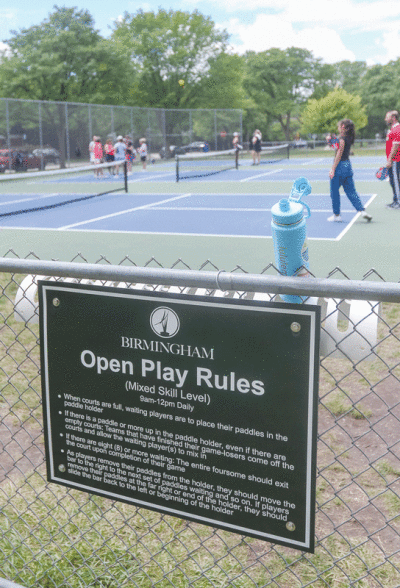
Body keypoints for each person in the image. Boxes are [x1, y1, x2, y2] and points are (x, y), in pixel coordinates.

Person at [328, 119, 372, 222]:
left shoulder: (342, 139)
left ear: (343, 126)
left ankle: (337, 215)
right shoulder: (349, 137)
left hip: (340, 166)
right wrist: (331, 140)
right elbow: (337, 147)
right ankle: (362, 211)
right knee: (351, 191)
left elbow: (339, 153)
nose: (338, 128)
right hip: (348, 166)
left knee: (334, 191)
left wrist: (333, 168)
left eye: (339, 126)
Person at [384, 110, 400, 209]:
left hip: (395, 160)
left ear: (393, 118)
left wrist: (390, 160)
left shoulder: (397, 129)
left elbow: (396, 146)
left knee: (395, 181)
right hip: (393, 160)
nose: (385, 119)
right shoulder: (393, 129)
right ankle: (396, 200)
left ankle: (398, 202)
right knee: (393, 181)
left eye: (387, 117)